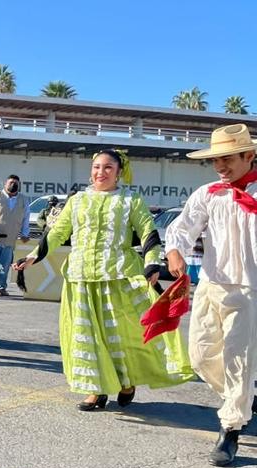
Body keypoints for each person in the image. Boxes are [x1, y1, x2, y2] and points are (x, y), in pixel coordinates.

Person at [14, 150, 192, 411]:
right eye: (96, 167)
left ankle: (126, 381)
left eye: (108, 167)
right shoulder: (77, 201)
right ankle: (96, 391)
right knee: (86, 335)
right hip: (81, 278)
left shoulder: (130, 200)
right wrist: (32, 257)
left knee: (119, 335)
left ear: (119, 172)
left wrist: (152, 262)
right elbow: (57, 233)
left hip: (118, 276)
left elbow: (148, 233)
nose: (101, 172)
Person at [165, 124, 257, 467]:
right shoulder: (208, 193)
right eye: (216, 159)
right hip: (211, 283)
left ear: (249, 155)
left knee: (239, 358)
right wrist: (174, 250)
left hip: (250, 288)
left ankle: (231, 429)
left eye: (228, 158)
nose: (220, 165)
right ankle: (244, 396)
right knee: (201, 355)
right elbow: (182, 228)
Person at [0, 174, 30, 296]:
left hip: (10, 238)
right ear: (5, 184)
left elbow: (26, 218)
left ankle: (1, 287)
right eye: (11, 182)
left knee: (5, 266)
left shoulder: (23, 199)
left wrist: (25, 233)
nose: (13, 185)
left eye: (16, 183)